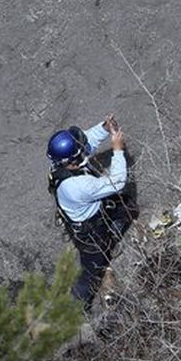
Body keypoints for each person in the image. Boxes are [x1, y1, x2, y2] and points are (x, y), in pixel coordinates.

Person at [46, 114, 130, 312]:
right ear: (75, 159)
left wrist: (103, 128)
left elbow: (86, 143)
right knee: (92, 271)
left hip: (87, 216)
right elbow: (117, 182)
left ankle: (110, 236)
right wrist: (118, 151)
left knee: (123, 208)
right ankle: (76, 308)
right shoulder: (79, 186)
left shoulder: (62, 165)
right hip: (90, 232)